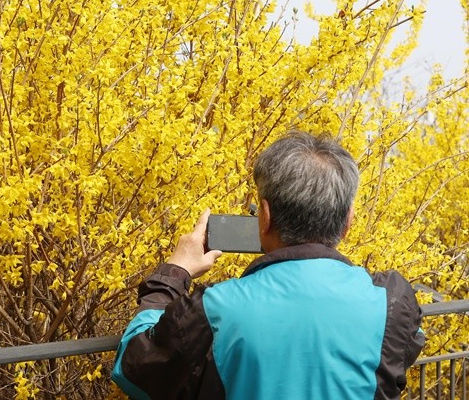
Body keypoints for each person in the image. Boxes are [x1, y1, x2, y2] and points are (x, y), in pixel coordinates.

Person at [111, 131, 425, 399]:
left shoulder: (214, 310)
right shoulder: (391, 302)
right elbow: (399, 352)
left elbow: (135, 368)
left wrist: (174, 272)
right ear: (348, 220)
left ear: (264, 215)